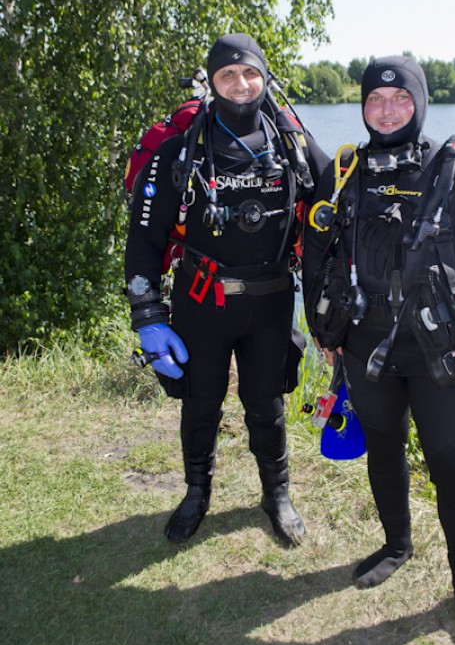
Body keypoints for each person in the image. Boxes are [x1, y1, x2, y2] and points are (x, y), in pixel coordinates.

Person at [303, 55, 455, 645]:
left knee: (452, 469)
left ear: (419, 102)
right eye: (375, 100)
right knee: (382, 453)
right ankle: (397, 544)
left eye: (399, 98)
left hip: (441, 359)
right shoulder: (344, 171)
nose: (386, 110)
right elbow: (316, 255)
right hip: (365, 351)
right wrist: (326, 334)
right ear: (363, 106)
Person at [125, 33, 329, 547]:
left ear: (265, 77)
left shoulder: (294, 145)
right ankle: (196, 492)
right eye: (227, 75)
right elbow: (144, 238)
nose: (241, 84)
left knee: (267, 404)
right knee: (199, 403)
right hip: (201, 301)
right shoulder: (180, 152)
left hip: (271, 301)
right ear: (212, 82)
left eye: (250, 73)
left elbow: (341, 203)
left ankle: (276, 494)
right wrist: (148, 317)